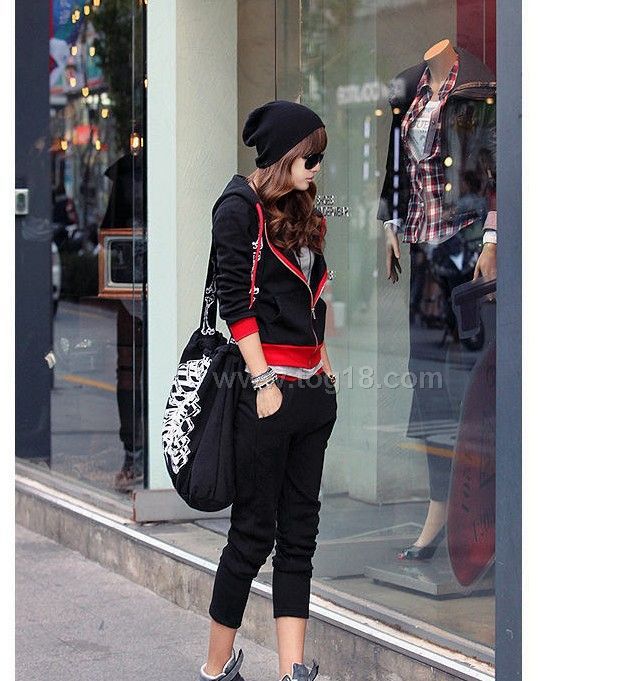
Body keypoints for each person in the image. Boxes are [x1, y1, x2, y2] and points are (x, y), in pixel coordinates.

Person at [199, 100, 338, 681]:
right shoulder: (238, 209)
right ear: (283, 154)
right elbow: (236, 305)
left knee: (299, 536)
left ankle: (292, 670)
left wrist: (324, 363)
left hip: (311, 395)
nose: (317, 168)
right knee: (253, 536)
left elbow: (311, 298)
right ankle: (216, 667)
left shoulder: (301, 209)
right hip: (266, 393)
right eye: (310, 157)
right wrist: (262, 382)